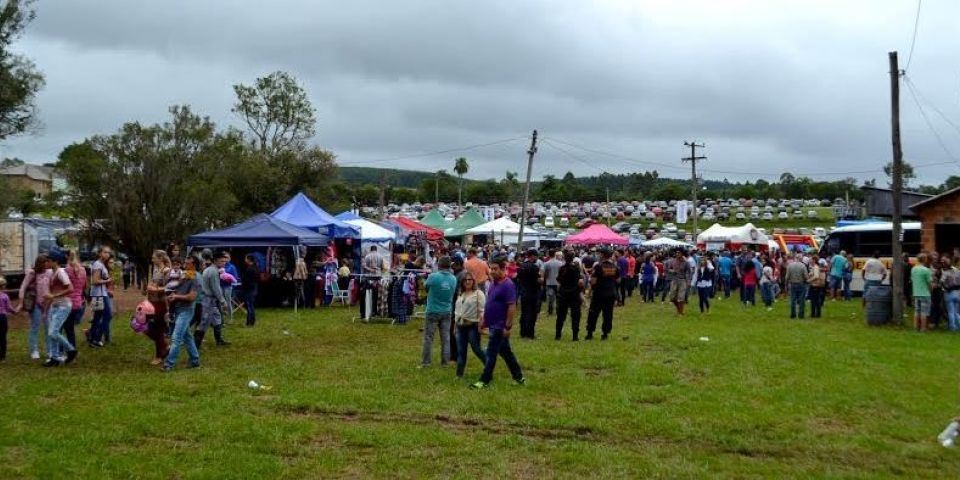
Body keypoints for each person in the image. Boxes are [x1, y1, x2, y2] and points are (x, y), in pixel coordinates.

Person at [471, 256, 526, 389]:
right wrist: (484, 320)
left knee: (491, 353)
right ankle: (518, 376)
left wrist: (507, 326)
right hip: (492, 323)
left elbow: (512, 306)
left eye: (495, 269)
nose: (492, 271)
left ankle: (485, 379)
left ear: (503, 268)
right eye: (491, 268)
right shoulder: (493, 284)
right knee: (506, 352)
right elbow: (490, 303)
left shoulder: (508, 285)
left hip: (499, 326)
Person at [162, 256, 201, 372]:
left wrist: (176, 296)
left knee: (176, 338)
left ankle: (168, 364)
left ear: (193, 265)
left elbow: (192, 297)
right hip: (178, 309)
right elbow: (178, 287)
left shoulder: (196, 277)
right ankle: (195, 360)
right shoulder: (187, 274)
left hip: (186, 310)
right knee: (187, 336)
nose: (184, 264)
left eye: (187, 263)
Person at [421, 256, 457, 368]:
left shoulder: (433, 276)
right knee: (446, 338)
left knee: (428, 337)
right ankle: (445, 363)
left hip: (432, 310)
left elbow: (425, 287)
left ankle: (426, 362)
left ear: (439, 265)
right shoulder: (453, 278)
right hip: (447, 310)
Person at [42, 255, 75, 367]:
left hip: (63, 306)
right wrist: (46, 308)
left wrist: (54, 295)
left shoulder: (61, 272)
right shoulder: (52, 273)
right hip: (55, 306)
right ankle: (54, 358)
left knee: (53, 332)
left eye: (48, 261)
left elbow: (70, 288)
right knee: (51, 333)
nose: (46, 263)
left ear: (55, 261)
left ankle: (71, 350)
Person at [453, 272, 487, 378]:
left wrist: (480, 325)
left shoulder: (478, 294)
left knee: (476, 349)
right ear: (462, 282)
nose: (467, 282)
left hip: (473, 325)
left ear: (473, 281)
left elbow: (482, 311)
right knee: (461, 351)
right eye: (465, 280)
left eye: (470, 280)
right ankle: (459, 375)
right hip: (460, 326)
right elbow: (457, 311)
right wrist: (455, 326)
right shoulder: (460, 294)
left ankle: (489, 365)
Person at [18, 255, 51, 359]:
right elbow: (22, 288)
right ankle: (34, 350)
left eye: (48, 262)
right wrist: (20, 302)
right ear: (40, 263)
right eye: (45, 262)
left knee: (48, 328)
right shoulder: (32, 274)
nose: (47, 264)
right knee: (35, 327)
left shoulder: (49, 272)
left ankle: (49, 350)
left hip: (47, 304)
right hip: (35, 304)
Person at [196, 252, 230, 348]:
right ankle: (196, 344)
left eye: (225, 261)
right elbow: (216, 288)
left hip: (210, 299)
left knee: (217, 318)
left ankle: (219, 340)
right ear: (215, 261)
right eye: (222, 261)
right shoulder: (213, 271)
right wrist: (223, 301)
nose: (224, 263)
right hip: (207, 299)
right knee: (204, 321)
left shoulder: (211, 269)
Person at [145, 250, 172, 365]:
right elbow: (152, 283)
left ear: (160, 258)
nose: (152, 260)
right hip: (152, 302)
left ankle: (159, 355)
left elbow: (169, 287)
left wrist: (155, 289)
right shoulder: (155, 269)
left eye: (154, 258)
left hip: (162, 303)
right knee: (143, 325)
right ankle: (165, 346)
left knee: (158, 328)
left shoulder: (167, 271)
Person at [586, 248, 619, 340]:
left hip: (599, 294)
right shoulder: (615, 267)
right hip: (611, 294)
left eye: (600, 254)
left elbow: (593, 282)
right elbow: (618, 280)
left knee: (593, 314)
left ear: (603, 255)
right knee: (608, 315)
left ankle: (590, 333)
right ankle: (605, 334)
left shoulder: (598, 267)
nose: (598, 255)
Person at [87, 246, 114, 347]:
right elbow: (95, 281)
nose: (107, 254)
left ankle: (92, 338)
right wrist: (107, 280)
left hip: (99, 294)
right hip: (99, 295)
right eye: (105, 252)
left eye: (108, 253)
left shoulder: (101, 264)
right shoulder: (98, 264)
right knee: (108, 315)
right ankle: (97, 338)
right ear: (99, 253)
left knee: (97, 317)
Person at [63, 250, 87, 361]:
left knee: (62, 328)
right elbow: (84, 286)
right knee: (70, 328)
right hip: (78, 302)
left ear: (67, 257)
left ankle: (69, 351)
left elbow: (64, 286)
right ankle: (71, 350)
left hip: (68, 302)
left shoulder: (67, 270)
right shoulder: (83, 270)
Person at [556, 250, 584, 341]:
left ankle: (558, 335)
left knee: (560, 315)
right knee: (575, 316)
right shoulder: (576, 268)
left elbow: (559, 279)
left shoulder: (562, 268)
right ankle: (575, 336)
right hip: (574, 294)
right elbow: (580, 280)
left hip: (563, 293)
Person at [516, 249, 542, 339]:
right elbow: (539, 280)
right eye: (536, 256)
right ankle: (530, 334)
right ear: (532, 256)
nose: (537, 258)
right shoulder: (534, 267)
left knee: (524, 313)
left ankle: (523, 332)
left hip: (523, 292)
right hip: (532, 293)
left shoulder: (521, 266)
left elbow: (517, 278)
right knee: (532, 314)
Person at [911, 253, 933, 332]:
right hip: (925, 293)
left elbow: (913, 280)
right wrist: (931, 290)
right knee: (924, 311)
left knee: (917, 311)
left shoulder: (913, 269)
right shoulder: (926, 270)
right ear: (925, 260)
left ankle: (915, 327)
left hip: (916, 292)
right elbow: (929, 283)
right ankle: (923, 328)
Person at [784, 254, 809, 319]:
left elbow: (787, 277)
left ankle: (793, 314)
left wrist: (786, 285)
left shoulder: (790, 265)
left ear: (795, 258)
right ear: (801, 259)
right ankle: (801, 315)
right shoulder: (803, 266)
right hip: (801, 284)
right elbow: (806, 276)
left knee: (793, 300)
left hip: (792, 284)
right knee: (801, 301)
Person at [667, 250, 690, 315]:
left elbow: (689, 272)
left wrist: (688, 281)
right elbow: (668, 269)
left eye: (679, 253)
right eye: (676, 252)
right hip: (674, 280)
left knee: (681, 297)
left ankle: (680, 312)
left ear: (682, 254)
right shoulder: (673, 261)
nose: (677, 254)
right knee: (672, 297)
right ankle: (679, 309)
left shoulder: (686, 262)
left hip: (682, 280)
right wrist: (672, 271)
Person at [941, 256, 960, 331]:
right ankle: (958, 326)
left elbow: (942, 282)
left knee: (950, 312)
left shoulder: (945, 272)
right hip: (957, 293)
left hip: (949, 293)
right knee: (957, 312)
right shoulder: (958, 271)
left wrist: (945, 288)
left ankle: (952, 327)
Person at [541, 250, 562, 316]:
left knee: (550, 298)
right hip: (558, 283)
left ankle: (550, 311)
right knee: (558, 297)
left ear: (549, 255)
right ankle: (559, 311)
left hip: (549, 282)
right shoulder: (560, 263)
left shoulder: (546, 263)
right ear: (555, 254)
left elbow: (543, 273)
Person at [240, 254, 259, 327]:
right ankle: (251, 321)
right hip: (254, 288)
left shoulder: (250, 269)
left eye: (245, 258)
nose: (245, 260)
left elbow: (246, 280)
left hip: (249, 289)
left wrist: (243, 285)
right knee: (251, 305)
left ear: (248, 260)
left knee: (249, 306)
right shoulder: (256, 268)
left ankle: (250, 322)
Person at [0, 277, 9, 362]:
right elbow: (8, 308)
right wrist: (16, 311)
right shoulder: (5, 296)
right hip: (2, 317)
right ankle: (2, 356)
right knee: (3, 337)